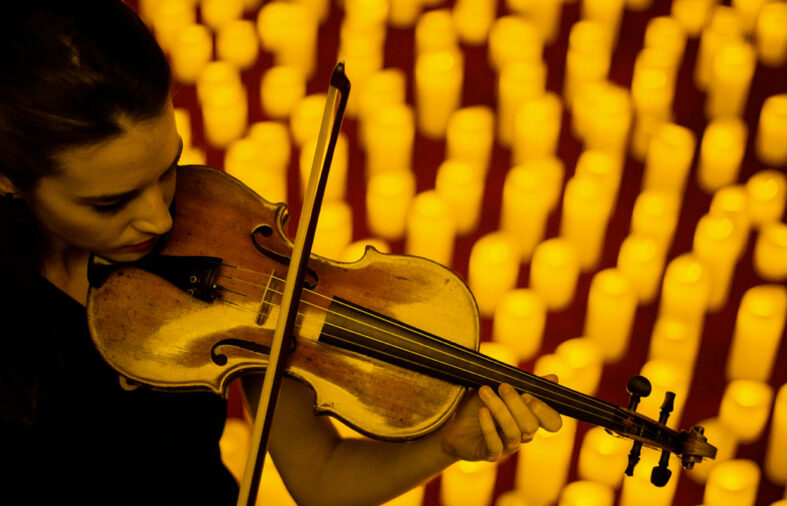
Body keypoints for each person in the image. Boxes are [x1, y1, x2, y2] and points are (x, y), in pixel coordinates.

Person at [0, 2, 562, 504]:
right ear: (10, 181)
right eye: (110, 203)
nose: (162, 218)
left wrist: (445, 442)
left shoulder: (215, 223)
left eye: (169, 168)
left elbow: (322, 477)